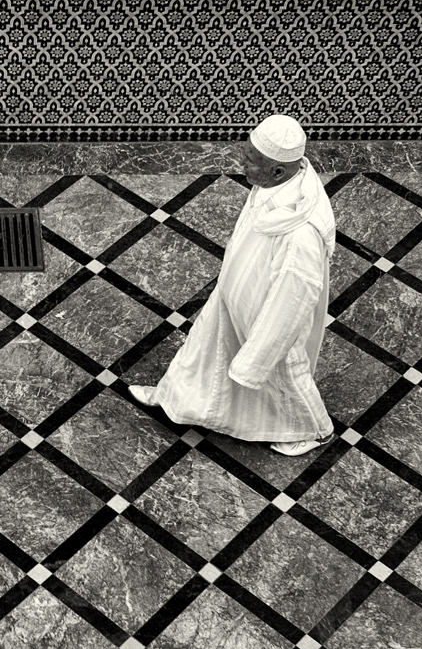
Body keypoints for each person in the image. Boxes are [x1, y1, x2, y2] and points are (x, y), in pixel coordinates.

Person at [129, 114, 336, 456]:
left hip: (263, 317)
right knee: (205, 350)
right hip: (235, 298)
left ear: (277, 171)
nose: (242, 164)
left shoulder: (301, 234)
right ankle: (172, 397)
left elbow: (291, 302)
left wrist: (256, 357)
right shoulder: (274, 183)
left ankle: (316, 429)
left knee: (285, 373)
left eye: (250, 160)